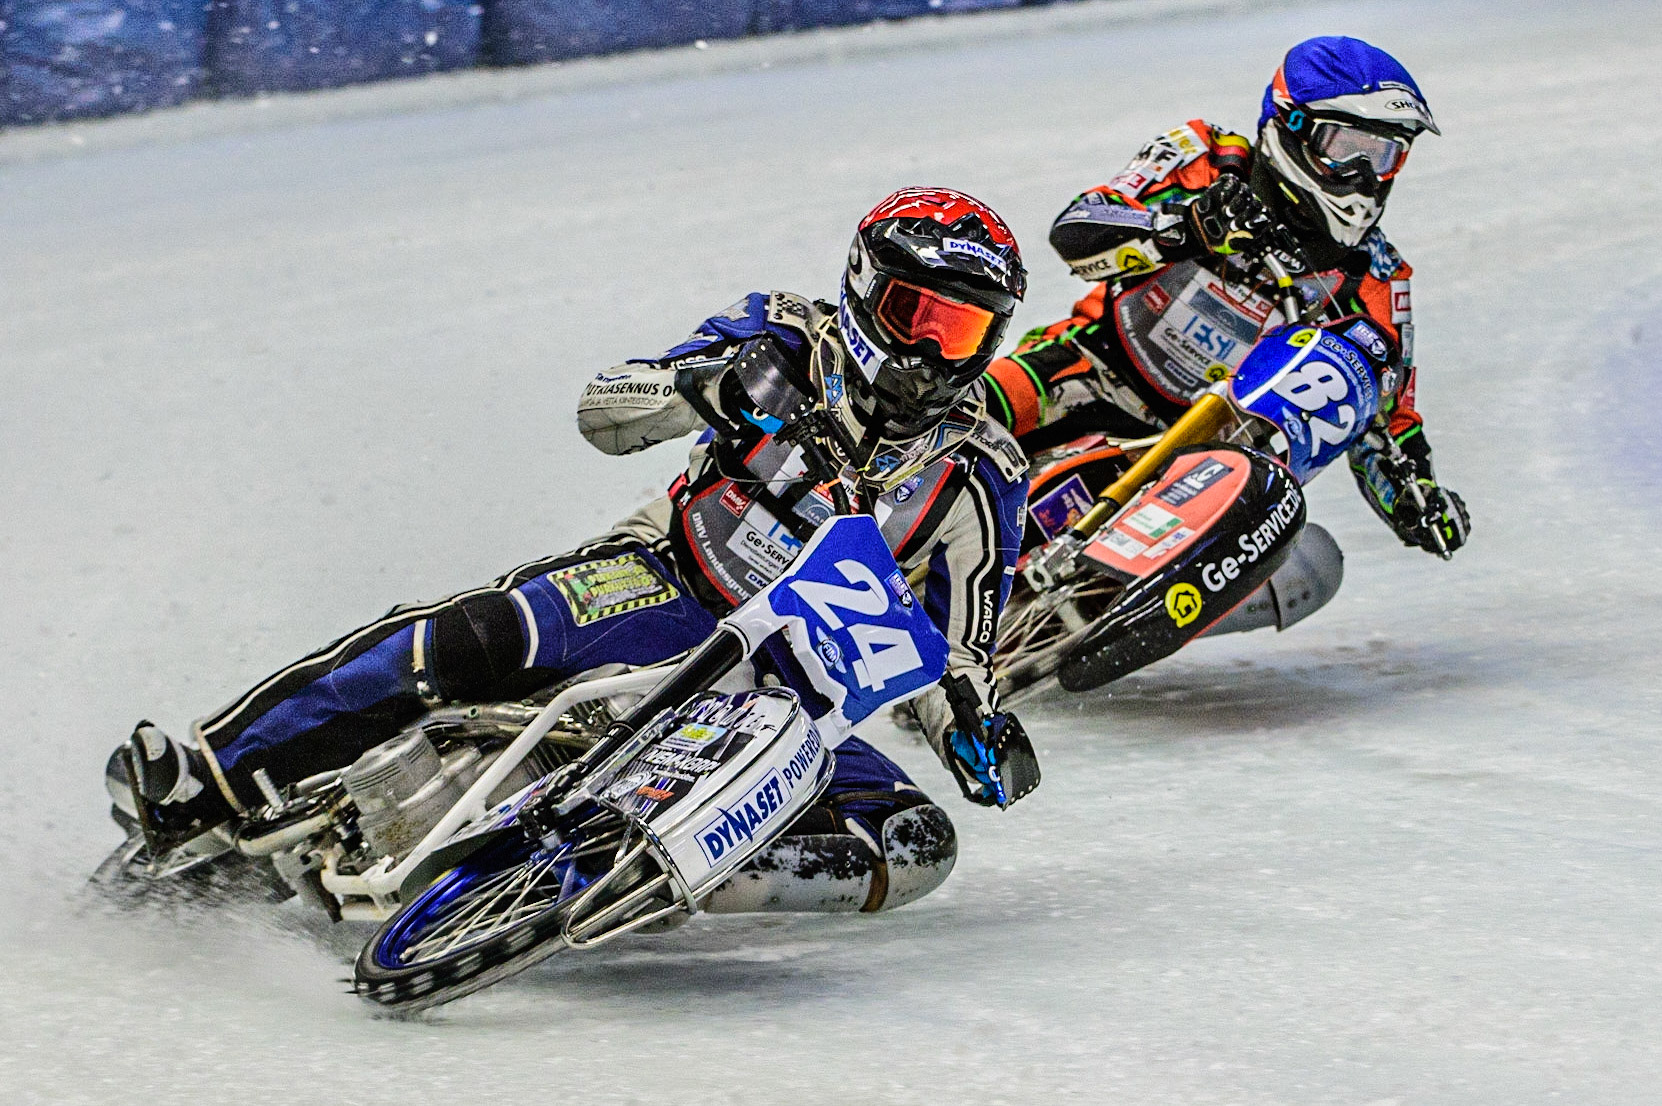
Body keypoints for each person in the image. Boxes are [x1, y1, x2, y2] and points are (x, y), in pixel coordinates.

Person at [110, 187, 1036, 914]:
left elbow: (961, 651)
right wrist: (704, 388)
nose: (932, 354)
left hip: (791, 697)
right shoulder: (783, 331)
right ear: (867, 290)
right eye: (920, 315)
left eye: (963, 331)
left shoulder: (981, 468)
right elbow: (606, 406)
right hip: (666, 579)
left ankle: (628, 879)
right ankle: (213, 770)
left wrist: (975, 725)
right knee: (473, 639)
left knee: (916, 842)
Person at [984, 36, 1469, 565]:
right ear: (1291, 126)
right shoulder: (1206, 158)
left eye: (1383, 156)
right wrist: (1188, 226)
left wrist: (1416, 497)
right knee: (965, 409)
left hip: (1206, 461)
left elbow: (1386, 423)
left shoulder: (1377, 281)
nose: (1363, 177)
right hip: (1093, 366)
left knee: (1312, 567)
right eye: (1345, 147)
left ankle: (1087, 615)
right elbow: (1078, 229)